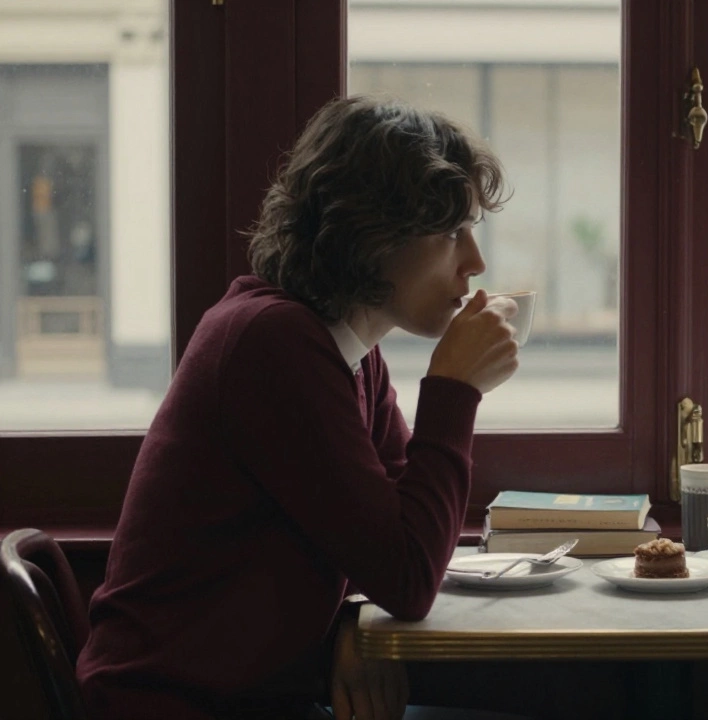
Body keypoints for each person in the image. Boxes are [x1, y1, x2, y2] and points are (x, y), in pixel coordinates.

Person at [77, 96, 523, 720]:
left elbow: (396, 536)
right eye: (452, 233)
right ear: (373, 233)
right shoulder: (272, 343)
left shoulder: (351, 355)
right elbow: (410, 577)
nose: (475, 262)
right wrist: (453, 389)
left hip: (251, 698)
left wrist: (350, 618)